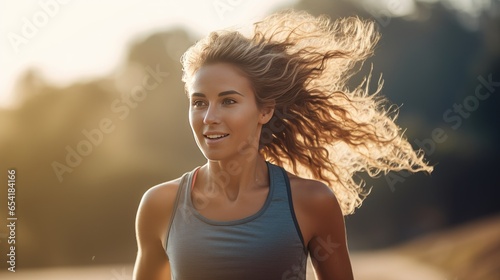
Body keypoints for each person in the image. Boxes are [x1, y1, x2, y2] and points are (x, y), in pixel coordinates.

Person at [133, 10, 432, 280]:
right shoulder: (160, 205)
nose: (209, 117)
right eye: (199, 103)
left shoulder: (312, 202)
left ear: (265, 110)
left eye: (228, 101)